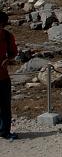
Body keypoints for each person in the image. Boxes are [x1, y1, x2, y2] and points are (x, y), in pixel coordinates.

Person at [0, 11, 18, 141]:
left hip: (3, 77)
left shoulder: (7, 36)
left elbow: (13, 52)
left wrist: (8, 59)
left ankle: (5, 131)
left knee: (5, 106)